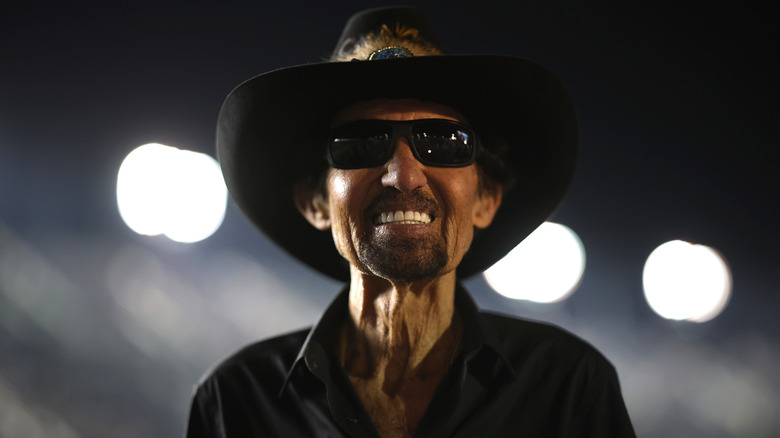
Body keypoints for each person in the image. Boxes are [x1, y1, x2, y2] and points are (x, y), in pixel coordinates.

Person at [186, 6, 635, 438]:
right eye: (360, 145)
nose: (403, 176)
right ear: (315, 203)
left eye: (443, 142)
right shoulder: (236, 400)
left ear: (485, 199)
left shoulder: (568, 387)